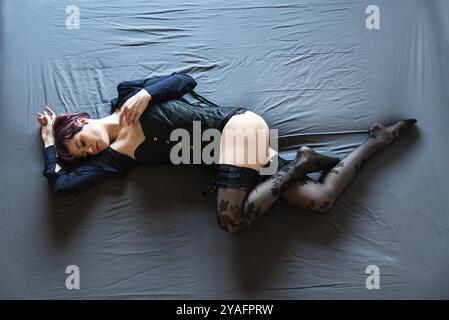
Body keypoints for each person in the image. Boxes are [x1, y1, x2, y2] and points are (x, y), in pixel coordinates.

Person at [37, 72, 417, 234]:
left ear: (83, 121)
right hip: (230, 158)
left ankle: (304, 160)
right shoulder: (113, 161)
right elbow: (60, 186)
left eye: (82, 141)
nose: (91, 149)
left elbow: (186, 81)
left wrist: (146, 93)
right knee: (318, 200)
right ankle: (379, 141)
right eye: (84, 153)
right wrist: (51, 145)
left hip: (236, 127)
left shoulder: (127, 95)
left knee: (231, 222)